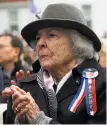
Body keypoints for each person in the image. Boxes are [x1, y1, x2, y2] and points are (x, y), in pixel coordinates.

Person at [2, 3, 106, 124]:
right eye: (38, 37)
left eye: (51, 35)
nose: (40, 43)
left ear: (77, 44)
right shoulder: (24, 89)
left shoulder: (102, 84)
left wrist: (39, 120)